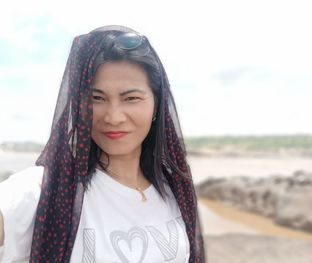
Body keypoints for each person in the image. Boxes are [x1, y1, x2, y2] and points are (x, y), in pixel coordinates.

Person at [0, 25, 205, 262]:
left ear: (156, 105)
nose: (113, 117)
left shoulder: (173, 187)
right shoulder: (48, 190)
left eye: (131, 98)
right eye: (97, 98)